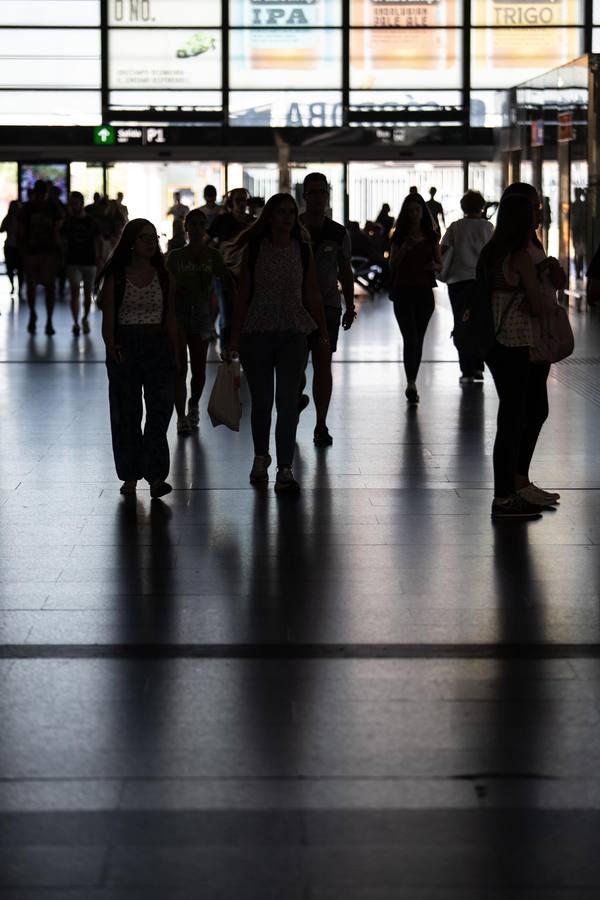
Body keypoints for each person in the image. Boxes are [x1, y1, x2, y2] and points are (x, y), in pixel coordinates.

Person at [229, 193, 329, 493]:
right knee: (261, 402)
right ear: (269, 216)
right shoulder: (256, 249)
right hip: (257, 330)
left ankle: (285, 465)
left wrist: (321, 330)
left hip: (293, 330)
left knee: (287, 403)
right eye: (281, 212)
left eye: (291, 212)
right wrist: (234, 335)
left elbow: (311, 291)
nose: (287, 217)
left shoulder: (302, 249)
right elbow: (243, 294)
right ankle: (261, 458)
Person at [480, 191, 561, 519]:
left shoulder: (491, 253)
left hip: (495, 344)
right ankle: (503, 498)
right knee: (512, 421)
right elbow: (540, 305)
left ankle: (510, 490)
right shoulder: (521, 257)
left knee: (511, 418)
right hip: (516, 346)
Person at [96, 218, 178, 499]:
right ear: (131, 242)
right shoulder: (116, 277)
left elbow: (170, 319)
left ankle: (156, 477)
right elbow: (109, 319)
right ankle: (130, 474)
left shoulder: (164, 276)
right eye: (144, 237)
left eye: (154, 237)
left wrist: (176, 353)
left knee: (159, 412)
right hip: (125, 347)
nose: (150, 242)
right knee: (126, 414)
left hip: (157, 345)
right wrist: (112, 346)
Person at [299, 172, 356, 446]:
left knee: (323, 364)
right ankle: (296, 401)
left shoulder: (337, 232)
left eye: (323, 191)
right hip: (296, 307)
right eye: (314, 192)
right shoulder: (294, 229)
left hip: (329, 306)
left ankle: (321, 423)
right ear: (305, 195)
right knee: (295, 366)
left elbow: (345, 270)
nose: (319, 197)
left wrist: (350, 304)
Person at [167, 208, 235, 435]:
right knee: (178, 367)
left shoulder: (213, 256)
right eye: (192, 224)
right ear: (185, 228)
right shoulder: (175, 257)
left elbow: (227, 280)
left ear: (205, 228)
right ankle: (180, 417)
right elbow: (165, 287)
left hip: (202, 316)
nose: (195, 229)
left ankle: (193, 403)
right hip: (178, 316)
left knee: (198, 368)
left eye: (200, 224)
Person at [389, 193, 441, 405]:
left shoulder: (431, 236)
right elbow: (392, 264)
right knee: (409, 337)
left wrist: (433, 266)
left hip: (424, 292)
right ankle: (411, 383)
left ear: (422, 213)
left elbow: (440, 264)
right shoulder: (399, 237)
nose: (413, 214)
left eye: (417, 210)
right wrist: (404, 248)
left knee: (417, 338)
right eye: (410, 211)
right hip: (403, 290)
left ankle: (413, 380)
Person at [440, 189, 493, 382]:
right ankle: (478, 367)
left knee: (461, 323)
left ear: (463, 207)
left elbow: (443, 250)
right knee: (478, 323)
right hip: (481, 283)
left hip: (458, 281)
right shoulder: (488, 227)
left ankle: (466, 369)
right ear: (482, 207)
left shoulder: (455, 227)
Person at [208, 188, 254, 350]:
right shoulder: (223, 221)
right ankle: (228, 353)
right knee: (227, 312)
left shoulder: (252, 222)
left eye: (244, 200)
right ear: (231, 203)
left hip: (246, 272)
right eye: (238, 200)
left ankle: (243, 350)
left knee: (245, 313)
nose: (242, 204)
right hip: (225, 272)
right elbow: (207, 240)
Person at [17, 179, 63, 335]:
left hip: (41, 251)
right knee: (42, 287)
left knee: (38, 286)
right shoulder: (42, 207)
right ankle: (43, 318)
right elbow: (57, 230)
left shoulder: (33, 207)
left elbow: (22, 230)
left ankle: (39, 317)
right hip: (40, 251)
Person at [62, 190, 102, 336]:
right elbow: (63, 240)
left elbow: (99, 240)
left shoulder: (91, 222)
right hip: (73, 261)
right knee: (75, 291)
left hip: (89, 261)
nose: (73, 206)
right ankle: (76, 322)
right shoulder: (68, 222)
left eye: (75, 203)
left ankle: (83, 318)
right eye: (71, 204)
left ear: (81, 204)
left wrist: (99, 258)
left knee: (86, 293)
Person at [1, 199, 23, 297]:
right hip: (10, 246)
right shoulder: (8, 218)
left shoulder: (22, 219)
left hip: (18, 247)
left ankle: (19, 289)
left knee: (20, 269)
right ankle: (13, 286)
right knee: (10, 268)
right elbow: (1, 229)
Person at [571, 188, 586, 280]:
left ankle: (579, 271)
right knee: (579, 254)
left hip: (580, 232)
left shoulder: (580, 205)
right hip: (578, 232)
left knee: (580, 254)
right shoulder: (576, 205)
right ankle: (578, 272)